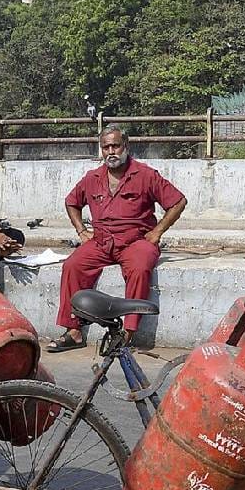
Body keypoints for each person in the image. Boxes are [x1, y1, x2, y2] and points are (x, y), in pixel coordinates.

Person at [48, 125, 186, 352]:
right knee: (73, 266)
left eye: (115, 145)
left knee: (140, 267)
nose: (111, 151)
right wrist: (81, 231)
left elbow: (178, 201)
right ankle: (73, 331)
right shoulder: (92, 178)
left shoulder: (145, 175)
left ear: (126, 146)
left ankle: (128, 333)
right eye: (106, 147)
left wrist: (157, 232)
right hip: (101, 242)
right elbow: (71, 202)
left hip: (136, 241)